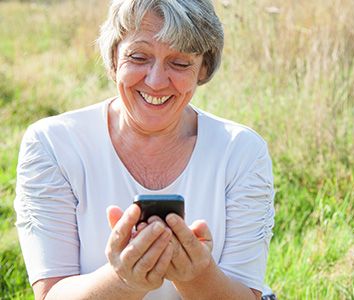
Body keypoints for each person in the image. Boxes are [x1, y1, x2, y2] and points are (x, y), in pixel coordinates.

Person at [14, 0, 275, 299]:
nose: (155, 81)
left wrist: (198, 277)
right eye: (138, 57)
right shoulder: (53, 145)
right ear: (114, 58)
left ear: (203, 68)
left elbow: (248, 294)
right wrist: (123, 280)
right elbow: (51, 294)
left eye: (179, 63)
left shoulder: (240, 152)